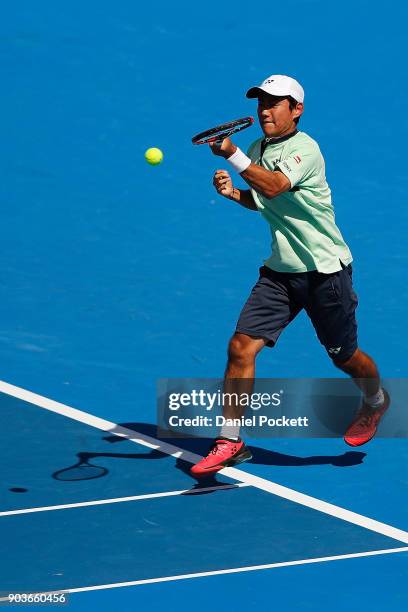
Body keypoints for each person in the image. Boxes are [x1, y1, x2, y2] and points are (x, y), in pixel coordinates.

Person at [191, 74, 389, 478]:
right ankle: (230, 439)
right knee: (241, 347)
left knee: (346, 358)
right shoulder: (256, 148)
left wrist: (232, 156)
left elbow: (278, 186)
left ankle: (376, 400)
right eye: (261, 101)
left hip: (324, 272)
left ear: (295, 109)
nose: (265, 109)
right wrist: (234, 194)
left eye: (275, 102)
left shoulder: (306, 149)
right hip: (281, 272)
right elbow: (266, 201)